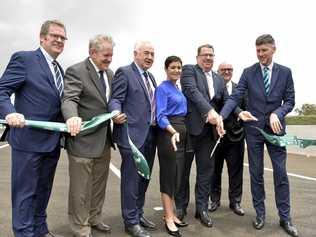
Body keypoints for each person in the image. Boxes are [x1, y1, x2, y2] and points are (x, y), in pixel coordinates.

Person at [217, 34, 298, 237]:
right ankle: (260, 214)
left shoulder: (285, 72)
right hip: (253, 131)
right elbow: (235, 96)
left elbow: (290, 100)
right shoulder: (248, 72)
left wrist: (276, 113)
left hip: (276, 130)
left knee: (281, 174)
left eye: (264, 50)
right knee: (256, 174)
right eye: (258, 50)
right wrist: (221, 116)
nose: (261, 54)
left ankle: (285, 218)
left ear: (273, 49)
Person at [0, 20, 67, 237]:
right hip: (28, 142)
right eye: (54, 35)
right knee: (25, 194)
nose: (59, 40)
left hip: (51, 142)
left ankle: (40, 229)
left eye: (63, 37)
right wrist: (9, 112)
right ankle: (24, 233)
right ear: (42, 37)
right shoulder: (25, 59)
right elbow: (2, 90)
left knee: (43, 191)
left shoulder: (59, 69)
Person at [61, 34, 115, 237]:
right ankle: (80, 228)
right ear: (93, 53)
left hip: (104, 141)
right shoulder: (77, 71)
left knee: (98, 186)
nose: (109, 59)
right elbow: (69, 99)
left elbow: (110, 103)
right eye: (105, 55)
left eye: (111, 55)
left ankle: (94, 218)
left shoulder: (109, 74)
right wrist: (72, 118)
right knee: (80, 190)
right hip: (82, 139)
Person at [175, 44, 228, 227]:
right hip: (190, 130)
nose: (208, 58)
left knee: (206, 172)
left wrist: (236, 113)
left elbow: (227, 101)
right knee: (183, 171)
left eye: (211, 55)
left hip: (209, 134)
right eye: (204, 55)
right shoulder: (189, 71)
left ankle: (202, 209)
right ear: (197, 57)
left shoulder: (219, 79)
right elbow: (192, 92)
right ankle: (180, 207)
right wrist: (210, 112)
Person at [109, 41, 157, 237]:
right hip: (131, 136)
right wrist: (115, 112)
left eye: (153, 54)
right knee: (131, 179)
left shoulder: (151, 77)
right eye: (146, 53)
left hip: (151, 135)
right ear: (135, 53)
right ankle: (130, 222)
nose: (150, 57)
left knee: (144, 178)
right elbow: (115, 98)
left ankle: (138, 213)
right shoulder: (124, 72)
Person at [155, 56, 189, 237]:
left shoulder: (178, 88)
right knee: (168, 176)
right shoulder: (162, 89)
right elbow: (160, 116)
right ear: (166, 69)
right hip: (169, 136)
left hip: (182, 136)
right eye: (173, 67)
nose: (176, 70)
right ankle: (168, 217)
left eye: (179, 67)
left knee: (177, 176)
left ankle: (173, 213)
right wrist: (172, 131)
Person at [209, 62, 246, 216]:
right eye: (223, 69)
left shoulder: (241, 89)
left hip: (236, 138)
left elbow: (246, 110)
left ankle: (235, 202)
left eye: (229, 69)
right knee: (214, 171)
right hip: (215, 137)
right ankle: (214, 200)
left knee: (236, 172)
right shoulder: (212, 89)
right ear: (217, 72)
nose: (226, 72)